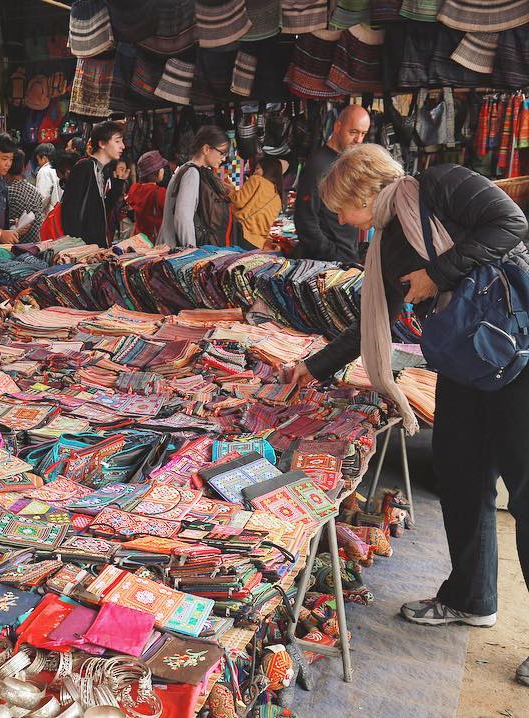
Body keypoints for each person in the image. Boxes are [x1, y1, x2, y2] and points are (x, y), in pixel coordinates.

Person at [285, 144, 529, 689]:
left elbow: (510, 223)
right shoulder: (388, 241)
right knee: (463, 481)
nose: (341, 221)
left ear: (361, 192)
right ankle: (471, 598)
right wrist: (316, 366)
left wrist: (436, 275)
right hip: (466, 363)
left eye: (340, 209)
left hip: (519, 354)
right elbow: (377, 318)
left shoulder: (440, 185)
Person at [293, 104, 371, 262]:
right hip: (328, 263)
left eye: (363, 134)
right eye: (353, 132)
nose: (359, 140)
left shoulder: (346, 161)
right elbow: (305, 220)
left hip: (346, 259)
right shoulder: (318, 165)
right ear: (337, 127)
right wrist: (331, 253)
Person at [157, 125, 241, 248]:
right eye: (222, 153)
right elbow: (183, 217)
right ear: (206, 149)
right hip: (177, 251)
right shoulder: (192, 173)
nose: (223, 159)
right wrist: (191, 250)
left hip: (170, 246)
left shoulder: (184, 169)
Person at [60, 121, 125, 248]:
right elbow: (70, 211)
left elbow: (102, 210)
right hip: (83, 249)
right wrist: (78, 247)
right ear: (102, 144)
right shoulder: (84, 167)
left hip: (96, 247)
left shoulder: (103, 171)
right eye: (117, 141)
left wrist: (118, 183)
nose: (122, 146)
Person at [226, 155, 286, 249]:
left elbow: (239, 201)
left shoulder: (257, 180)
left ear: (268, 170)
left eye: (258, 168)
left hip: (242, 234)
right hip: (258, 243)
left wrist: (231, 191)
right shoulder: (278, 197)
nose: (254, 172)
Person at [4, 149, 45, 244]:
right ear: (23, 168)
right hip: (35, 245)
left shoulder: (8, 191)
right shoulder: (35, 191)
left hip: (16, 246)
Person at [127, 150, 170, 239]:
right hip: (155, 242)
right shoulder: (160, 193)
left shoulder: (134, 188)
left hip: (138, 240)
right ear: (156, 172)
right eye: (161, 167)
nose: (163, 170)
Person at [34, 143, 62, 213]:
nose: (38, 163)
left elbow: (43, 197)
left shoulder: (44, 171)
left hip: (50, 215)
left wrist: (35, 212)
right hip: (60, 213)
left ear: (44, 158)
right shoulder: (59, 169)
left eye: (38, 159)